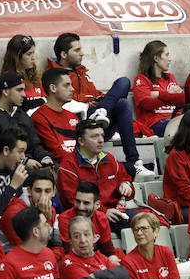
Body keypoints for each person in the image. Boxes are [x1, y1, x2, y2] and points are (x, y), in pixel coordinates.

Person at [51, 34, 150, 174]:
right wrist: (88, 102)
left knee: (123, 86)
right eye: (77, 50)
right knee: (121, 101)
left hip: (99, 118)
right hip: (81, 122)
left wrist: (101, 100)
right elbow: (64, 100)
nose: (82, 53)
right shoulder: (55, 76)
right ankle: (102, 111)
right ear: (64, 54)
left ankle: (134, 162)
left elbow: (95, 93)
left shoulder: (82, 73)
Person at [58, 119, 134, 231]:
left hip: (115, 211)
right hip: (86, 217)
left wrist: (126, 184)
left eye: (102, 135)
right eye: (94, 137)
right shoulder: (68, 166)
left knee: (148, 221)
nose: (101, 140)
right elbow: (73, 201)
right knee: (137, 225)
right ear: (81, 141)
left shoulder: (110, 159)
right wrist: (103, 211)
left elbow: (124, 178)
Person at [121, 212, 186, 279]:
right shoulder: (128, 262)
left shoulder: (166, 252)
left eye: (144, 228)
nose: (139, 233)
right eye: (136, 229)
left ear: (155, 231)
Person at [0, 167, 63, 254]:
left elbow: (56, 244)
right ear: (29, 191)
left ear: (54, 192)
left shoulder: (50, 209)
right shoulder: (14, 213)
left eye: (47, 191)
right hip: (7, 256)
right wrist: (46, 218)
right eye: (38, 191)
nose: (43, 196)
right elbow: (32, 249)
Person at [133, 41, 185, 136]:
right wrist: (170, 96)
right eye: (167, 55)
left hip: (176, 119)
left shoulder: (170, 77)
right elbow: (147, 104)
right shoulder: (141, 80)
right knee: (182, 128)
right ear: (156, 58)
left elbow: (182, 99)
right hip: (155, 123)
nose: (170, 59)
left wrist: (158, 94)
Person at [56, 181, 116, 259]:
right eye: (78, 201)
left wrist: (112, 258)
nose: (80, 207)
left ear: (97, 204)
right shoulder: (65, 219)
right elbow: (72, 252)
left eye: (86, 203)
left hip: (96, 258)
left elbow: (108, 251)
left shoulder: (101, 218)